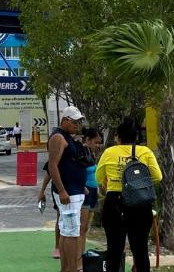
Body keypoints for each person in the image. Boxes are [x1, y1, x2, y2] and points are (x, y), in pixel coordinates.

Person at [95, 117, 162, 272]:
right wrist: (139, 184)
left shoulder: (109, 152)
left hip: (114, 203)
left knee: (114, 251)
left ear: (118, 137)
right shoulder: (145, 152)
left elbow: (98, 178)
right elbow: (158, 177)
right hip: (139, 203)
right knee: (140, 251)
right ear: (137, 137)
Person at [48, 105, 87, 272]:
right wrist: (62, 190)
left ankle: (66, 268)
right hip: (68, 194)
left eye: (79, 122)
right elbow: (52, 166)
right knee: (71, 233)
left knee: (67, 231)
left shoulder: (67, 137)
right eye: (74, 122)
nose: (77, 125)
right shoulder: (58, 137)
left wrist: (80, 185)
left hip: (74, 191)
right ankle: (69, 268)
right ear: (65, 120)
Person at [79, 128, 102, 266]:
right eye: (96, 142)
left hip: (93, 191)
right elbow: (77, 171)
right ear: (87, 140)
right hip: (85, 192)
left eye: (99, 143)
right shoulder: (81, 152)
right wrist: (82, 187)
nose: (97, 145)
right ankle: (79, 258)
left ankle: (83, 255)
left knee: (86, 227)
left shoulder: (91, 153)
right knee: (81, 227)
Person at [37, 158, 61, 259]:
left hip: (75, 189)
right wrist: (42, 191)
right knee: (60, 217)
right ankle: (57, 247)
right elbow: (49, 172)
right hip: (58, 189)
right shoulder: (56, 154)